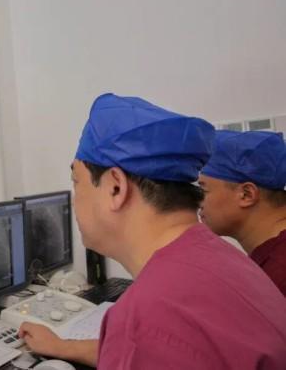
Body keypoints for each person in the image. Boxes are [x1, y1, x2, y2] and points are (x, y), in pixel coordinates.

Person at [18, 94, 286, 369]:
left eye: (76, 181)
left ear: (115, 188)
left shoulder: (150, 316)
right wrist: (65, 346)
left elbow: (153, 342)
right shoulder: (221, 258)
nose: (75, 201)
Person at [198, 130, 286, 295]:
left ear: (247, 194)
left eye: (204, 190)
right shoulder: (271, 259)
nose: (197, 201)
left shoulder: (280, 271)